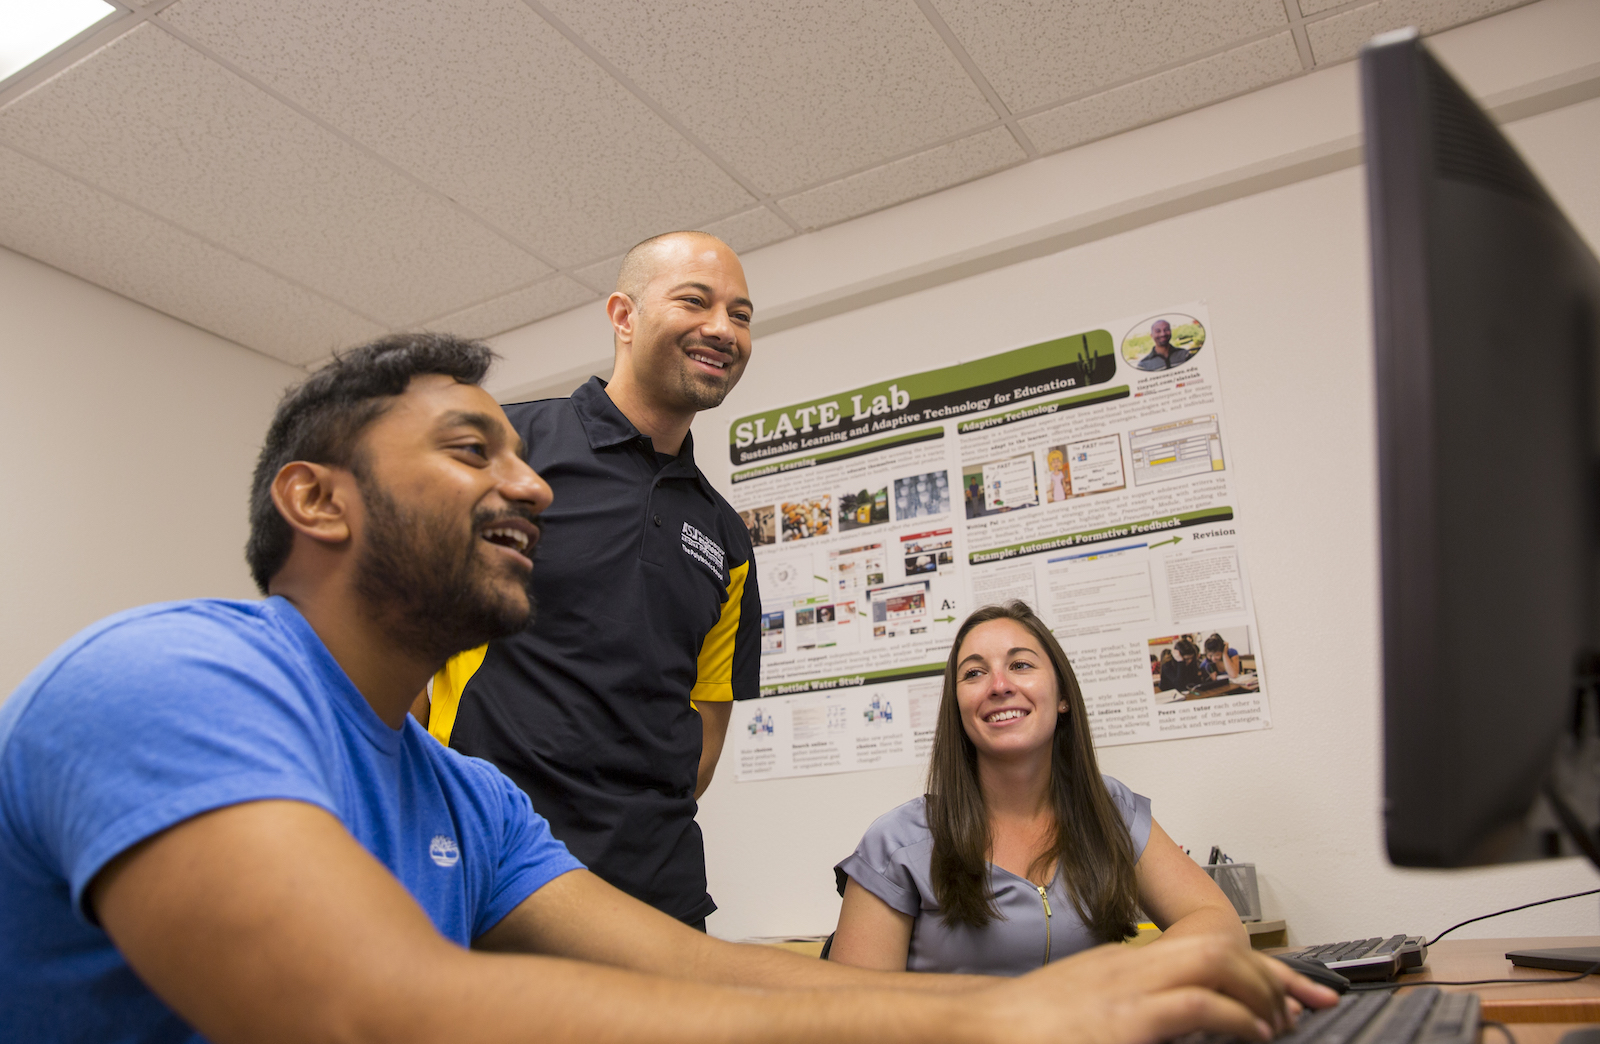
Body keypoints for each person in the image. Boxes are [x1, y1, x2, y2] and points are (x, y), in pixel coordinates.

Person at [0, 335, 1334, 1042]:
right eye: (474, 447)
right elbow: (376, 1014)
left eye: (526, 455)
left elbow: (712, 983)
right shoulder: (166, 679)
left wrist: (1047, 1006)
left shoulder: (466, 795)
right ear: (316, 498)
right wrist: (1002, 1030)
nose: (529, 483)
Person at [416, 231, 760, 927]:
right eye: (695, 300)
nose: (722, 328)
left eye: (742, 314)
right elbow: (394, 638)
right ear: (624, 317)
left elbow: (704, 731)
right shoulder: (507, 453)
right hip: (491, 871)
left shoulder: (728, 540)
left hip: (657, 893)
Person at [830, 602, 1247, 975]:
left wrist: (1120, 986)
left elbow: (1220, 924)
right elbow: (851, 1019)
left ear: (1062, 695)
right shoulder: (896, 844)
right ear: (957, 709)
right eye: (974, 673)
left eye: (1021, 665)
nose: (999, 685)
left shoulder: (1110, 809)